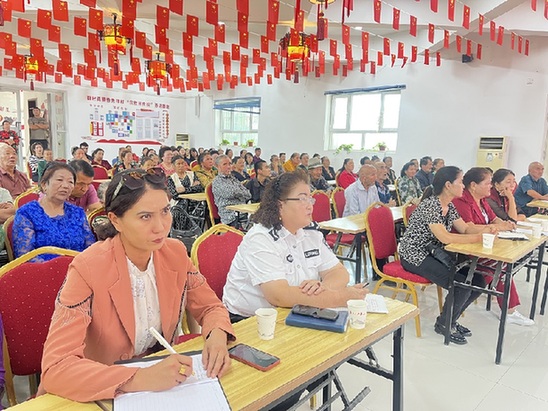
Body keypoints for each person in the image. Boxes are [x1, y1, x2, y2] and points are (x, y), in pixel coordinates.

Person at [39, 168, 235, 402]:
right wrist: (139, 378)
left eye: (165, 211)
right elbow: (57, 367)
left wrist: (216, 335)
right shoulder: (87, 268)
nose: (160, 226)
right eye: (145, 216)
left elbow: (210, 307)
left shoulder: (174, 253)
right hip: (101, 389)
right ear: (115, 220)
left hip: (164, 383)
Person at [223, 171, 368, 319]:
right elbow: (279, 296)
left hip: (296, 311)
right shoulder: (260, 238)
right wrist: (338, 297)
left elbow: (338, 272)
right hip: (250, 320)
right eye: (302, 199)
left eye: (310, 199)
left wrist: (322, 288)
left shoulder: (311, 233)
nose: (310, 206)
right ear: (280, 205)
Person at [399, 166, 494, 345]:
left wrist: (488, 229)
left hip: (434, 253)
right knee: (461, 284)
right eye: (461, 182)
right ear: (448, 185)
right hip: (414, 254)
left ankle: (450, 319)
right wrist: (478, 237)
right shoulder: (431, 205)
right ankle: (445, 323)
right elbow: (445, 237)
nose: (464, 186)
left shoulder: (449, 205)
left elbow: (464, 228)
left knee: (478, 281)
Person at [452, 167, 533, 326]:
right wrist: (497, 227)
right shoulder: (461, 201)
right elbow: (469, 228)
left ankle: (504, 303)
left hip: (483, 244)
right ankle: (509, 311)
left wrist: (506, 225)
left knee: (502, 265)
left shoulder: (482, 200)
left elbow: (495, 219)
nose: (491, 186)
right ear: (473, 185)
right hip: (466, 249)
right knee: (501, 267)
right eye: (488, 183)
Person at [13, 162, 95, 262]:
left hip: (79, 268)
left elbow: (91, 248)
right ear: (44, 184)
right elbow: (25, 256)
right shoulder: (26, 213)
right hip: (43, 269)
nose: (65, 186)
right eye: (60, 180)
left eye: (70, 182)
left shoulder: (78, 213)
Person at [211, 155, 251, 226]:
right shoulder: (217, 181)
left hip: (243, 212)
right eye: (225, 164)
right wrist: (239, 192)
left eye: (230, 164)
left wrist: (236, 192)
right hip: (230, 217)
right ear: (217, 166)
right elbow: (230, 193)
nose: (229, 167)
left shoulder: (233, 179)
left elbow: (248, 194)